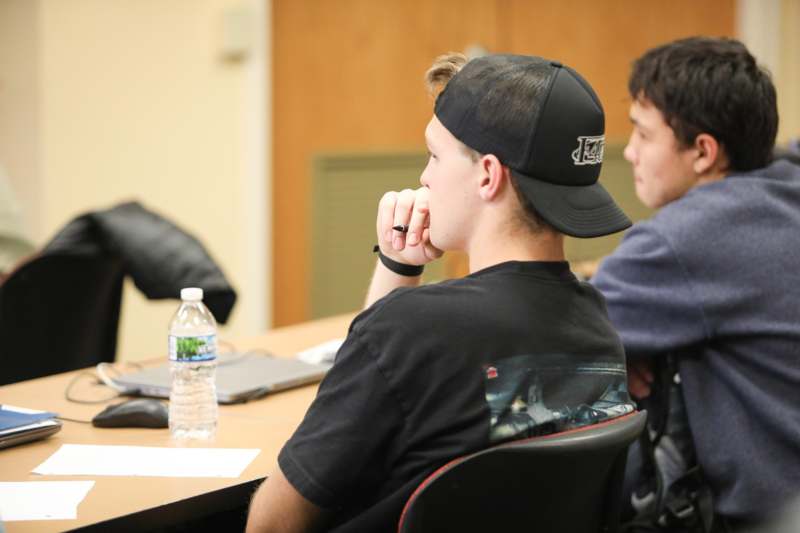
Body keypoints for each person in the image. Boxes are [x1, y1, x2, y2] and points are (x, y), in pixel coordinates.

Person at [247, 53, 636, 532]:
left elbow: (273, 524)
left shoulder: (413, 329)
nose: (424, 177)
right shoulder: (598, 327)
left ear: (488, 175)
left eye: (434, 155)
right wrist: (398, 263)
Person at [592, 37, 800, 531]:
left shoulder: (678, 241)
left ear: (704, 151)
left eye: (643, 135)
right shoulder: (785, 185)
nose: (630, 153)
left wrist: (622, 345)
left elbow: (560, 336)